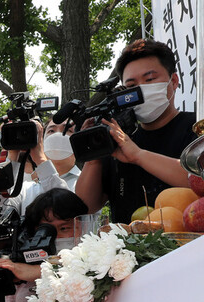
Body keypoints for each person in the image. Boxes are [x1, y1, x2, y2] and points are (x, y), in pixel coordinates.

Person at [74, 39, 197, 223]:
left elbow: (203, 180)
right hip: (127, 250)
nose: (140, 90)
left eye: (149, 80)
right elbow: (86, 206)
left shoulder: (198, 125)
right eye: (131, 86)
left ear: (174, 81)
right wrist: (94, 158)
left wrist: (138, 156)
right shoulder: (118, 138)